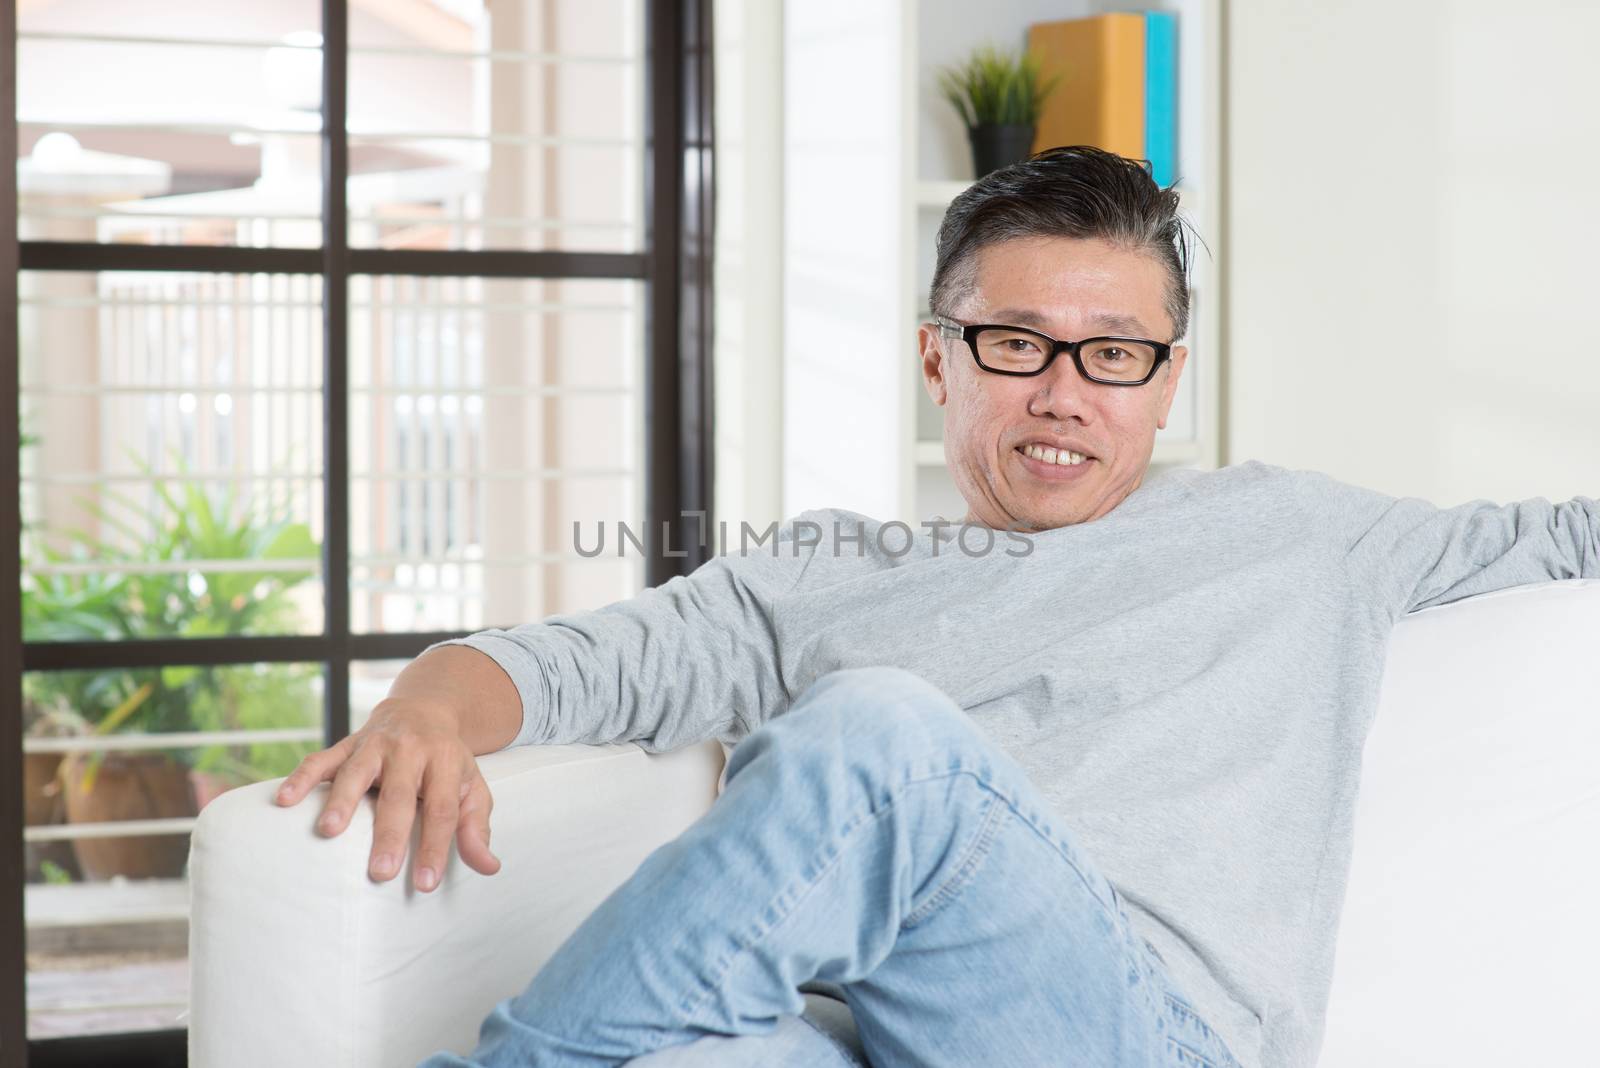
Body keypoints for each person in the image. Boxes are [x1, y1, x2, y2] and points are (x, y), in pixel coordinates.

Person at [274, 147, 1599, 1068]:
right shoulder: (819, 573)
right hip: (867, 1037)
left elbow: (1569, 536)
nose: (1064, 394)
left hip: (1146, 1038)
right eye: (1016, 345)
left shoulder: (1308, 537)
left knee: (882, 738)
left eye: (1115, 356)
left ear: (1165, 379)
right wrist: (429, 700)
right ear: (938, 358)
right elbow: (575, 663)